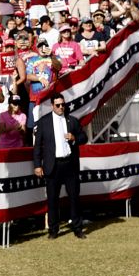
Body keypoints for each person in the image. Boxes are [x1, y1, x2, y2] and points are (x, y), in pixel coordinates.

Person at [33, 94, 88, 238]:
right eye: (57, 105)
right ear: (52, 106)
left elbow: (84, 137)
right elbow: (37, 146)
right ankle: (53, 230)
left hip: (70, 163)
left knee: (74, 197)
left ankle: (77, 228)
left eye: (63, 104)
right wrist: (37, 165)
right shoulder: (44, 122)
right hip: (53, 165)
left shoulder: (72, 120)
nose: (61, 107)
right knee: (52, 199)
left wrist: (75, 138)